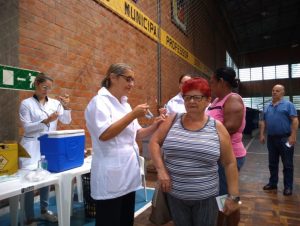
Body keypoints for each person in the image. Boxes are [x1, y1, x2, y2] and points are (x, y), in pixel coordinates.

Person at [149, 77, 240, 226]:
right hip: (175, 195)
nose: (191, 101)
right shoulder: (172, 120)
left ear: (207, 100)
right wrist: (161, 171)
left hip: (206, 197)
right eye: (187, 97)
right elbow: (154, 142)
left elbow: (229, 163)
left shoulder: (217, 127)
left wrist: (234, 197)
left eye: (197, 97)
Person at [84, 63, 165, 226]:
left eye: (133, 80)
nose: (132, 84)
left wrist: (155, 125)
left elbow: (136, 134)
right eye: (128, 79)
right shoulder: (99, 102)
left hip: (128, 173)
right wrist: (133, 114)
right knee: (110, 220)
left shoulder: (124, 104)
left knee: (126, 219)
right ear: (113, 77)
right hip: (110, 175)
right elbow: (104, 134)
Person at [19, 73, 72, 226]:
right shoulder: (26, 104)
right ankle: (29, 217)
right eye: (44, 87)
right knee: (28, 183)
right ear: (36, 84)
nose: (47, 91)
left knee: (46, 178)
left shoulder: (55, 103)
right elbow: (27, 129)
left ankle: (44, 211)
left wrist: (67, 106)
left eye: (49, 88)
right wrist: (46, 121)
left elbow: (66, 121)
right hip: (31, 146)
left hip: (48, 146)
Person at [206, 67, 246, 226]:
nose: (210, 85)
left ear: (221, 82)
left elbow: (231, 127)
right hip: (218, 155)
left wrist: (202, 132)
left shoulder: (233, 99)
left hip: (230, 156)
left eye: (212, 81)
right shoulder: (216, 100)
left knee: (227, 197)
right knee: (222, 196)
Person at [259, 84, 298, 196]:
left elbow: (295, 121)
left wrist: (293, 135)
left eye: (277, 91)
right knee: (272, 163)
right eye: (273, 90)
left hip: (285, 138)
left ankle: (288, 187)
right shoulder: (267, 106)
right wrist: (262, 134)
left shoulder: (288, 105)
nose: (274, 92)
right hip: (271, 139)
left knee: (288, 164)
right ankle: (273, 183)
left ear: (282, 93)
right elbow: (263, 121)